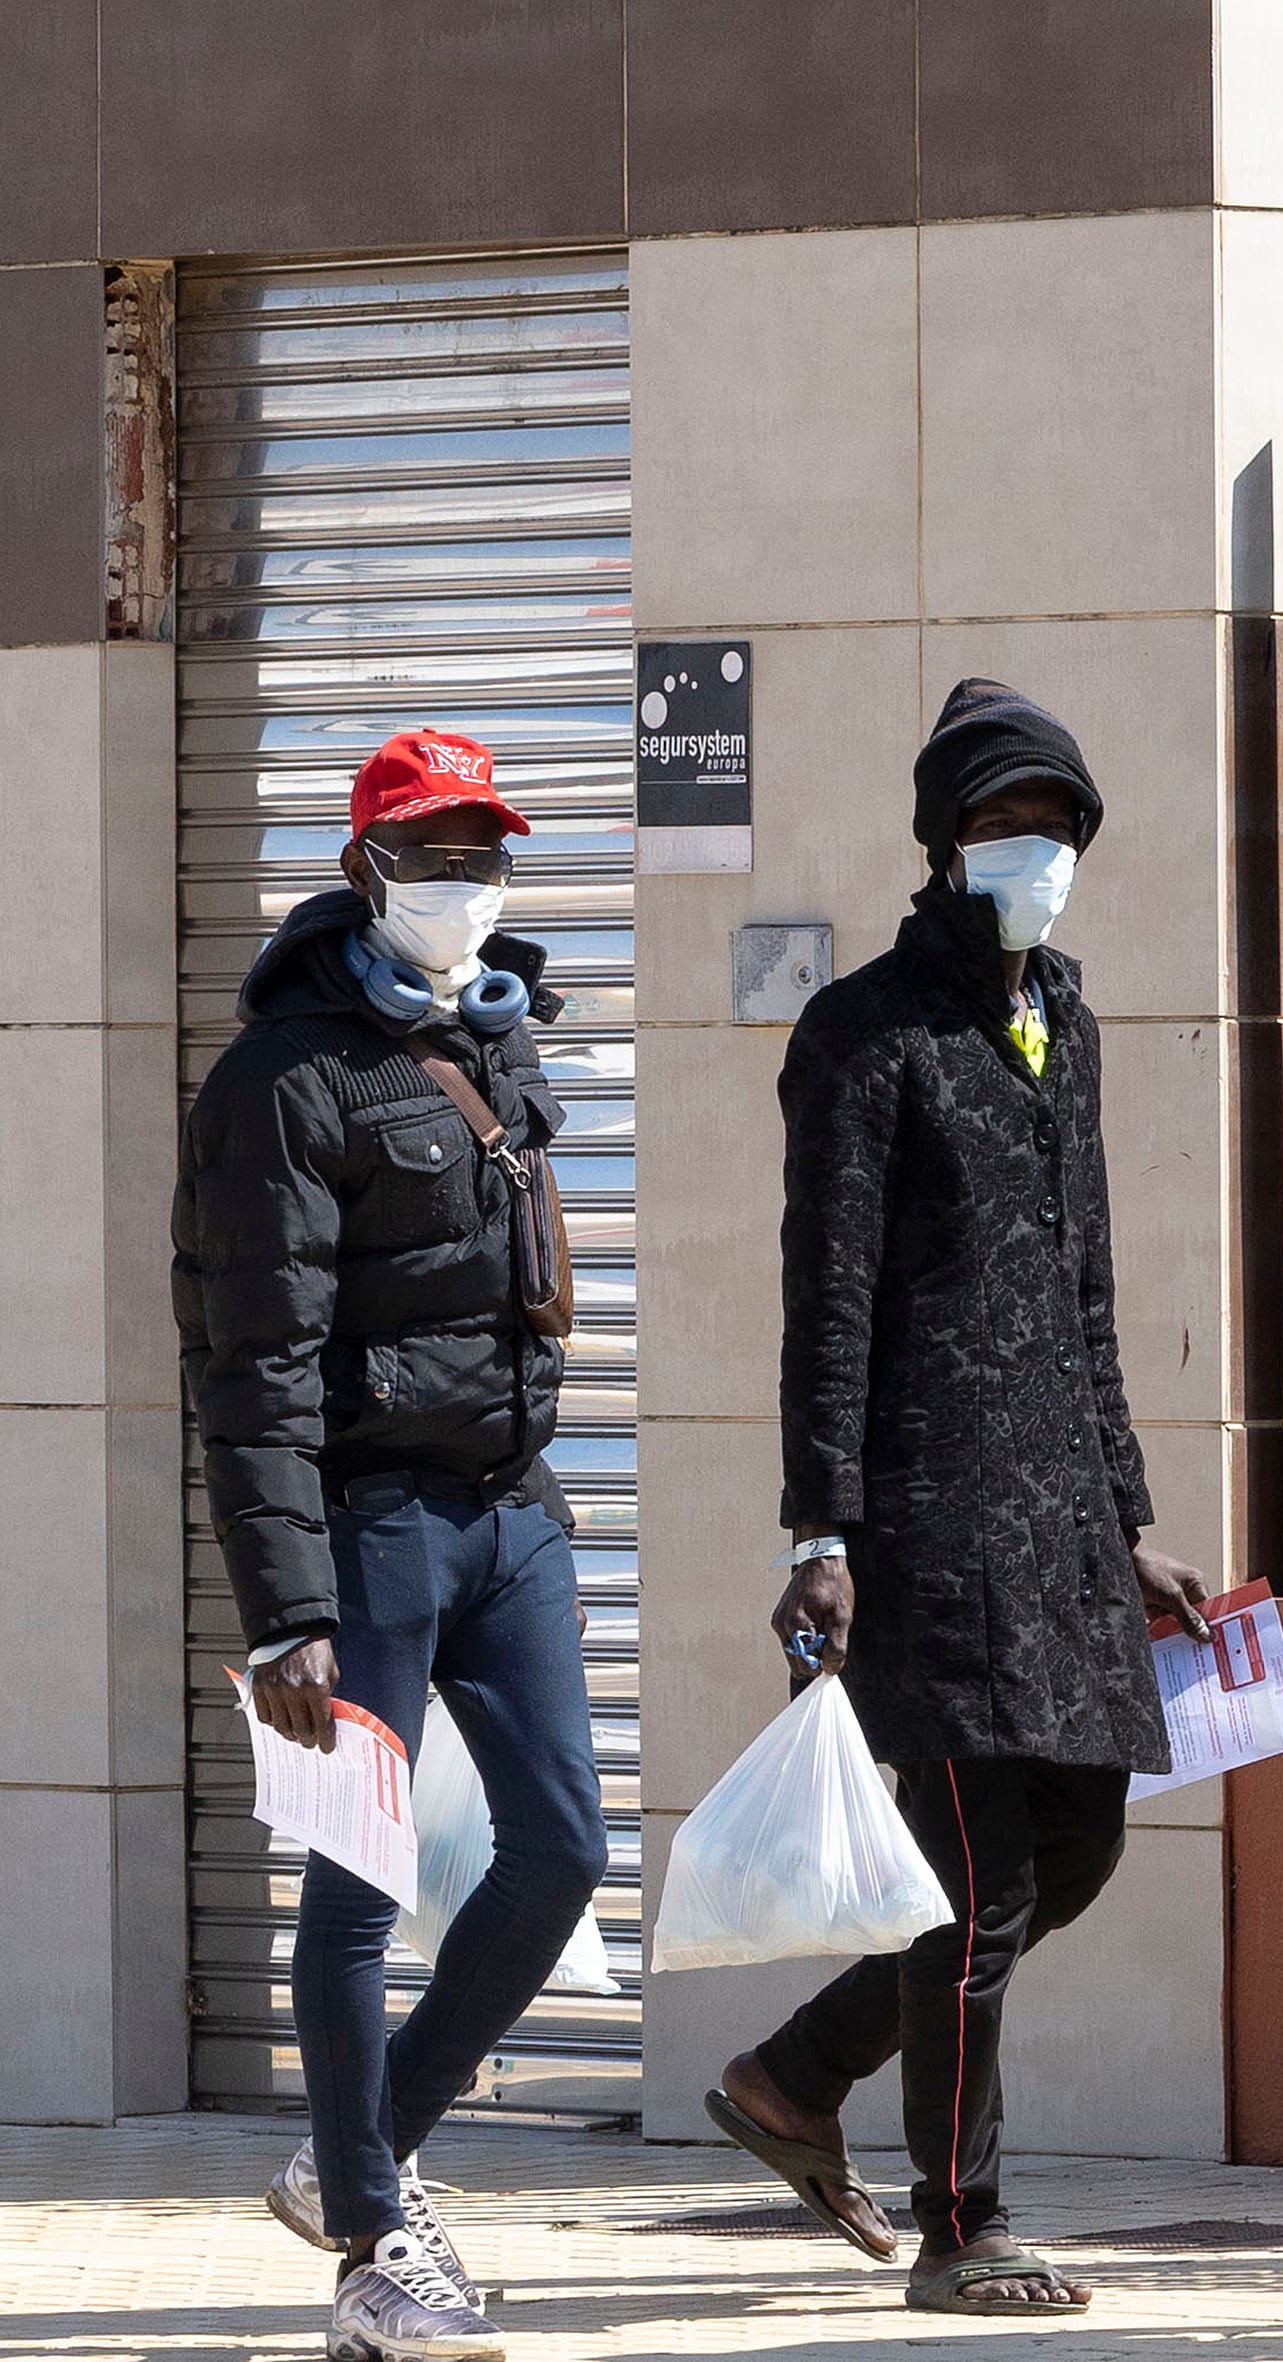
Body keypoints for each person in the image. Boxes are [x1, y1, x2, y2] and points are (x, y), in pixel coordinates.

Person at [701, 678, 1209, 2321]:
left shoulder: (1067, 1013)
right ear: (942, 840)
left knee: (1081, 1844)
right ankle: (963, 2222)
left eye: (1057, 823)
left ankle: (799, 2070)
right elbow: (825, 1295)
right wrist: (822, 1528)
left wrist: (1129, 1521)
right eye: (1003, 823)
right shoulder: (863, 1033)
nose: (1036, 850)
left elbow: (1090, 1296)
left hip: (1060, 1526)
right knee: (979, 1878)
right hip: (929, 1528)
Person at [177, 727, 606, 2361]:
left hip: (511, 1514)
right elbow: (253, 1365)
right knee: (355, 1890)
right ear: (365, 869)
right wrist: (286, 1607)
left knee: (561, 1847)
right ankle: (371, 2251)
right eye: (427, 853)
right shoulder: (280, 1083)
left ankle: (355, 2148)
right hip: (364, 1533)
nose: (460, 882)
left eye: (482, 851)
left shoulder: (497, 1045)